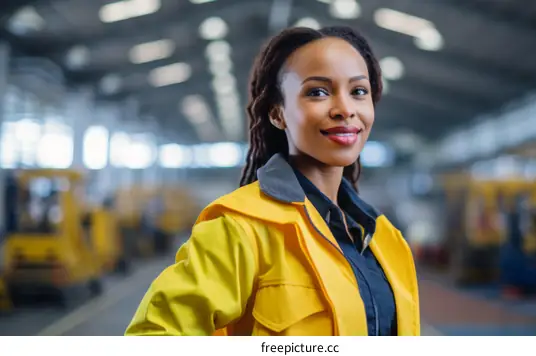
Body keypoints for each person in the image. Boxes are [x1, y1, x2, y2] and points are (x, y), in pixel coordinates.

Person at [125, 25, 420, 336]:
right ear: (277, 113)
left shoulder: (386, 241)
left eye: (358, 91)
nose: (345, 109)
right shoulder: (240, 229)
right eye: (317, 92)